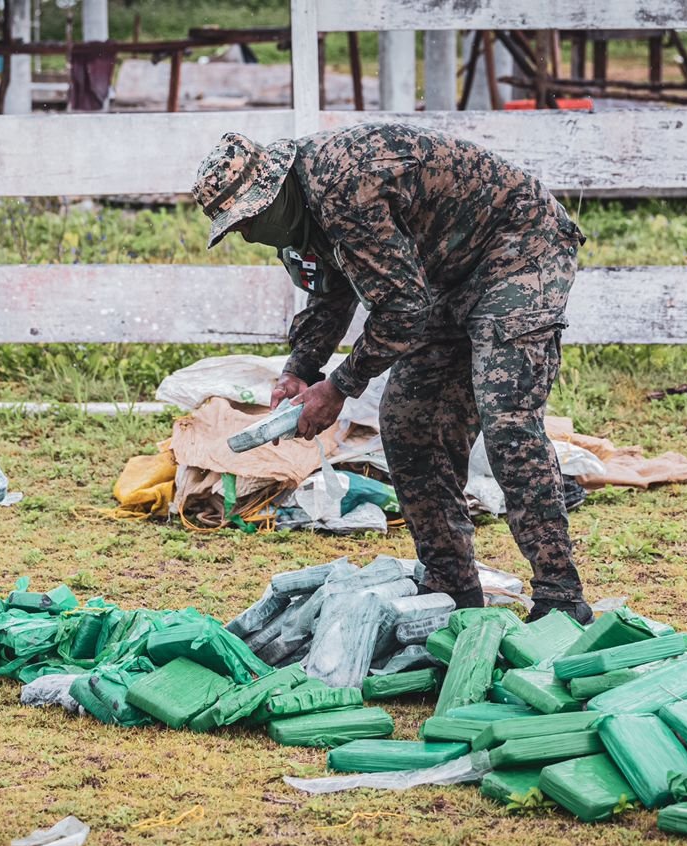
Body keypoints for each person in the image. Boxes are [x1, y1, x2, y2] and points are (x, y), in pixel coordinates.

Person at [192, 123, 591, 624]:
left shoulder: (342, 187)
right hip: (440, 275)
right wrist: (301, 369)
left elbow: (402, 311)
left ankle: (561, 598)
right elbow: (332, 287)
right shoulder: (298, 213)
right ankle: (451, 590)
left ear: (272, 194)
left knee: (507, 418)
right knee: (409, 422)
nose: (246, 234)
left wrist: (337, 388)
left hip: (518, 249)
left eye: (247, 220)